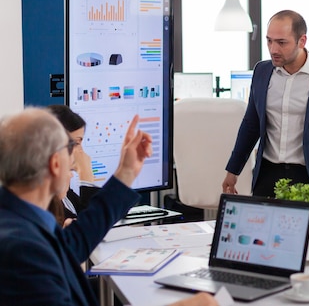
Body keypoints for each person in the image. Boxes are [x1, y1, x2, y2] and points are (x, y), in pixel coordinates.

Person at [0, 107, 217, 306]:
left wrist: (127, 172)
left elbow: (72, 244)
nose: (76, 159)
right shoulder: (22, 251)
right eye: (71, 148)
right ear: (56, 164)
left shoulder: (19, 217)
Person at [222, 9, 309, 209]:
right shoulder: (262, 71)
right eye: (269, 41)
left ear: (302, 41)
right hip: (268, 175)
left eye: (281, 42)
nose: (273, 49)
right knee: (264, 237)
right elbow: (250, 125)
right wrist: (233, 170)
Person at [47, 104, 97, 222]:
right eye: (76, 143)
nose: (81, 151)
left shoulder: (67, 192)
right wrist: (86, 177)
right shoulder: (46, 196)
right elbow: (90, 227)